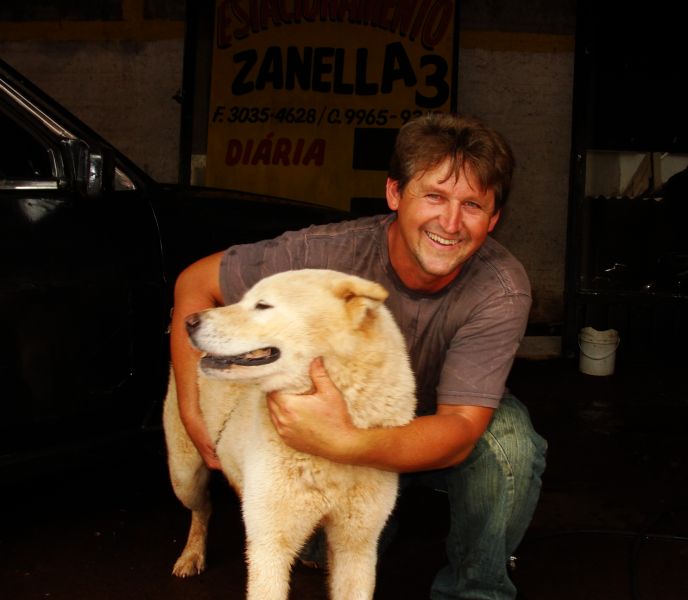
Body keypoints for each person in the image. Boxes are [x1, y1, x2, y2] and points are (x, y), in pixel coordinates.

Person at [170, 112, 548, 599]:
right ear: (395, 194)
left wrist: (343, 443)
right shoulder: (323, 256)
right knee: (320, 545)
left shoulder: (500, 287)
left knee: (510, 442)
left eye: (472, 205)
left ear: (493, 220)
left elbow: (457, 431)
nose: (450, 223)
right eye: (434, 195)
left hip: (425, 423)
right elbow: (193, 285)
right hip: (339, 417)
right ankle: (333, 530)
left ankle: (475, 588)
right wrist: (190, 410)